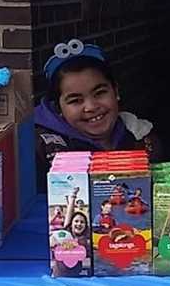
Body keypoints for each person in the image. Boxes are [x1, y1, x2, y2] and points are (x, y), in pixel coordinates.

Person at [35, 40, 162, 188]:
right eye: (76, 100)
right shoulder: (43, 149)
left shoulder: (140, 137)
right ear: (58, 108)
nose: (91, 107)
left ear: (116, 91)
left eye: (100, 93)